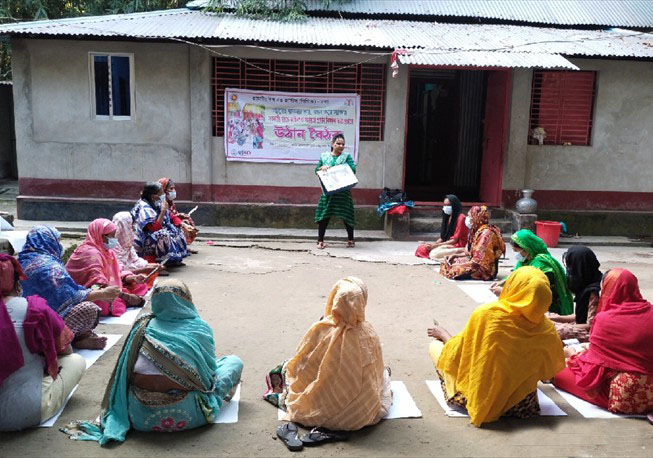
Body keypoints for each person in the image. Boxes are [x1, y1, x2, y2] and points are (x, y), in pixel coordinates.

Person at [61, 279, 243, 445]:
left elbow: (126, 372)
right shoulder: (199, 328)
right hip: (191, 415)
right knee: (233, 362)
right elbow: (208, 378)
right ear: (187, 299)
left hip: (138, 415)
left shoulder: (142, 325)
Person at [427, 267, 565, 427]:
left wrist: (443, 334)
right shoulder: (546, 327)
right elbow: (548, 376)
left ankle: (463, 394)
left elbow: (457, 354)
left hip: (482, 399)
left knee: (435, 347)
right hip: (523, 405)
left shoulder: (487, 314)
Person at [266, 277, 392, 449]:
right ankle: (335, 422)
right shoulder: (369, 333)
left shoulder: (322, 329)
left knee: (289, 369)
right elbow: (375, 372)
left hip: (318, 404)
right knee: (383, 375)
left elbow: (303, 364)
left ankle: (314, 415)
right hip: (361, 414)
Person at [0, 254, 86, 431]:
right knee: (75, 361)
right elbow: (66, 351)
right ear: (17, 283)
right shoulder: (35, 309)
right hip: (24, 412)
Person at [553, 269, 653, 417]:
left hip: (626, 395)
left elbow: (594, 370)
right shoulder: (650, 312)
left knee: (556, 370)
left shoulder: (606, 319)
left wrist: (573, 355)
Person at [18, 225, 121, 349]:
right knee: (89, 309)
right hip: (43, 323)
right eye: (58, 241)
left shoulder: (21, 262)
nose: (60, 245)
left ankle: (77, 337)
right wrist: (103, 294)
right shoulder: (50, 268)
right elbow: (72, 295)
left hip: (22, 322)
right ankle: (62, 342)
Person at [66, 219, 148, 317]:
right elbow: (97, 284)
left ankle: (121, 299)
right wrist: (127, 297)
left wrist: (133, 278)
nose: (114, 239)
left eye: (114, 235)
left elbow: (117, 272)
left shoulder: (107, 251)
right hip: (88, 291)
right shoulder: (90, 253)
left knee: (138, 285)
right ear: (100, 236)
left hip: (105, 287)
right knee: (104, 303)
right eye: (111, 236)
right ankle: (122, 301)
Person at [492, 229, 573, 315]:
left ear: (526, 248)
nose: (516, 255)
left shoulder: (542, 264)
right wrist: (502, 282)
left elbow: (531, 289)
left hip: (548, 307)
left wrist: (505, 292)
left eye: (517, 251)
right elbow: (516, 274)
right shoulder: (525, 260)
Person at [548, 246, 602, 342]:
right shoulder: (586, 283)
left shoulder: (594, 292)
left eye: (570, 267)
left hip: (593, 333)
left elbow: (591, 325)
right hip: (583, 325)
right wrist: (557, 318)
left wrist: (563, 326)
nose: (568, 271)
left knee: (551, 331)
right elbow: (581, 316)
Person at [439, 206, 505, 280]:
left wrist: (459, 264)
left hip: (484, 268)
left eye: (470, 216)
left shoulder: (486, 234)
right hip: (473, 262)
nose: (467, 219)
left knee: (454, 269)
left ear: (477, 217)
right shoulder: (475, 230)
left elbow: (478, 261)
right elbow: (469, 252)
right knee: (447, 261)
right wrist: (454, 255)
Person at [314, 134, 356, 249]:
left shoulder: (346, 157)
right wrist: (321, 168)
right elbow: (316, 170)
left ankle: (351, 240)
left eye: (343, 144)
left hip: (343, 193)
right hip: (328, 193)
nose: (341, 146)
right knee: (324, 216)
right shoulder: (324, 157)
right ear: (332, 144)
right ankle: (320, 241)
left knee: (347, 215)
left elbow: (353, 169)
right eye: (338, 143)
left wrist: (341, 168)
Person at [131, 182, 188, 265]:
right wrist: (162, 211)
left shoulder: (156, 201)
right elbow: (154, 228)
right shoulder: (144, 207)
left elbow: (170, 216)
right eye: (161, 193)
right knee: (163, 235)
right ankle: (158, 263)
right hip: (143, 239)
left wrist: (182, 224)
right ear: (153, 196)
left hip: (152, 233)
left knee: (177, 230)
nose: (164, 195)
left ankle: (172, 260)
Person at [112, 212, 165, 285]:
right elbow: (117, 273)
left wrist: (153, 266)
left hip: (128, 275)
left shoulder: (127, 245)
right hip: (118, 280)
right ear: (124, 227)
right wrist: (146, 269)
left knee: (149, 275)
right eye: (131, 226)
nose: (134, 229)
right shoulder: (113, 247)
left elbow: (135, 261)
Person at [415, 194, 468, 260]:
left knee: (434, 254)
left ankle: (462, 251)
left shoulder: (461, 218)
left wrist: (436, 246)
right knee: (422, 248)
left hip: (457, 245)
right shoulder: (447, 217)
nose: (446, 207)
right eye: (445, 205)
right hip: (447, 244)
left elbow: (454, 240)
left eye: (449, 205)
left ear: (455, 205)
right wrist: (432, 244)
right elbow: (443, 237)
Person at [157, 178, 199, 250]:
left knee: (185, 222)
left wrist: (183, 223)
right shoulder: (157, 203)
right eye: (171, 188)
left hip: (167, 224)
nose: (173, 191)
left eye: (174, 188)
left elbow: (171, 215)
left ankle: (181, 246)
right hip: (159, 228)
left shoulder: (169, 203)